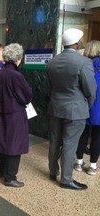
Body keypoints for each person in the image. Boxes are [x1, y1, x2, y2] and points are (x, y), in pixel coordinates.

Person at [47, 28, 97, 190]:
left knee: (55, 141)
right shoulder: (84, 62)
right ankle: (66, 180)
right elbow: (91, 90)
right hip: (75, 110)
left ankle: (53, 172)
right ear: (76, 43)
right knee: (69, 144)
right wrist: (86, 106)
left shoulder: (53, 61)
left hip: (55, 107)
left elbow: (51, 85)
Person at [0, 43, 32, 187]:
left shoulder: (1, 72)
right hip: (15, 114)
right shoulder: (16, 75)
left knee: (3, 141)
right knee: (15, 144)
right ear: (17, 58)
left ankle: (0, 170)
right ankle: (10, 177)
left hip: (3, 111)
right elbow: (26, 96)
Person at [75, 40, 100, 175]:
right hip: (99, 107)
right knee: (97, 137)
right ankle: (93, 166)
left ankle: (79, 163)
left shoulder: (82, 64)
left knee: (82, 134)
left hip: (84, 105)